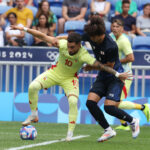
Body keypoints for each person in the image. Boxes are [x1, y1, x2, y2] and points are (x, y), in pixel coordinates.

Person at [10, 25, 131, 141]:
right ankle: (33, 114)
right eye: (68, 47)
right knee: (33, 86)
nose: (69, 50)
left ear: (79, 45)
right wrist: (24, 29)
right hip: (54, 73)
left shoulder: (84, 55)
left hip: (70, 79)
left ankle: (69, 134)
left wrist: (117, 74)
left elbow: (102, 66)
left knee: (73, 101)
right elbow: (42, 36)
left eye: (72, 47)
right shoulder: (62, 44)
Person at [82, 15, 140, 142]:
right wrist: (58, 40)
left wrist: (91, 67)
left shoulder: (111, 45)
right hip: (103, 76)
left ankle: (133, 121)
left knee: (109, 108)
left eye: (93, 38)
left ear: (101, 34)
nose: (91, 40)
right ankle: (108, 130)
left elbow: (109, 66)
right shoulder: (92, 35)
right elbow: (76, 38)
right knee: (90, 103)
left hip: (115, 76)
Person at [110, 19, 150, 131]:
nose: (115, 28)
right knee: (110, 101)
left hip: (125, 76)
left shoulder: (124, 41)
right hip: (116, 75)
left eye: (118, 27)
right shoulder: (111, 37)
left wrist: (115, 62)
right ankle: (123, 125)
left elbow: (131, 58)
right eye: (113, 26)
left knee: (116, 104)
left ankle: (143, 107)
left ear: (122, 28)